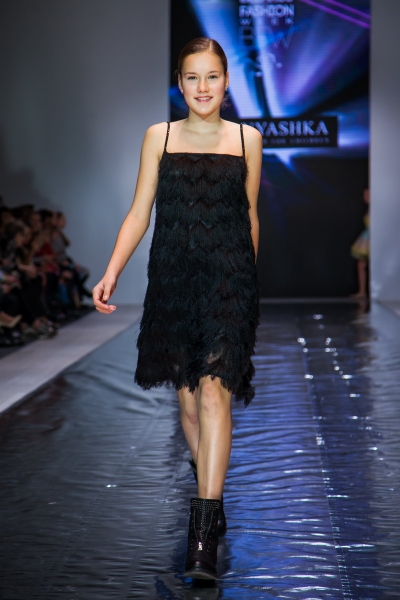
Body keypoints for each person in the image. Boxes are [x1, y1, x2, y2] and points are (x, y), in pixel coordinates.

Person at [92, 37, 262, 581]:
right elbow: (139, 212)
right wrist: (112, 270)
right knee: (188, 405)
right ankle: (210, 487)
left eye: (212, 76)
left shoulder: (248, 139)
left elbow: (250, 214)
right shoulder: (159, 136)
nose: (202, 87)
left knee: (214, 394)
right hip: (173, 281)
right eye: (192, 77)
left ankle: (202, 535)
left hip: (229, 283)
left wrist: (249, 284)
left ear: (227, 82)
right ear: (180, 83)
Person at [351, 188, 370, 299]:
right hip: (367, 238)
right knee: (361, 264)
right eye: (364, 195)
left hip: (375, 239)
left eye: (367, 195)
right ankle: (362, 291)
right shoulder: (369, 209)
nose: (365, 197)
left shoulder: (378, 209)